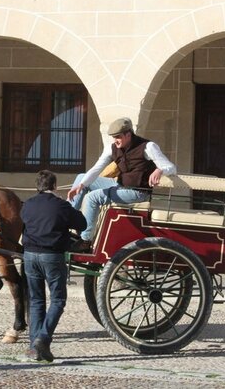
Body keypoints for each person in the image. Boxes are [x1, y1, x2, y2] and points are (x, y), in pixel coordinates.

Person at [67, 117, 176, 252]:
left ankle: (85, 241)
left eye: (118, 137)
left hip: (137, 191)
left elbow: (171, 167)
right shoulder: (111, 148)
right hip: (119, 185)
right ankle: (65, 221)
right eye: (113, 137)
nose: (115, 140)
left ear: (128, 134)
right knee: (81, 178)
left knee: (92, 197)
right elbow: (96, 168)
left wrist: (160, 170)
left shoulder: (148, 147)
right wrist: (81, 185)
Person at [21, 170, 86, 362]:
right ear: (55, 186)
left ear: (37, 187)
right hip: (52, 256)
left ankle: (34, 346)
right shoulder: (61, 205)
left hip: (30, 255)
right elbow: (81, 223)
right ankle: (43, 338)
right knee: (58, 300)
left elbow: (24, 223)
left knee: (36, 300)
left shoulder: (28, 204)